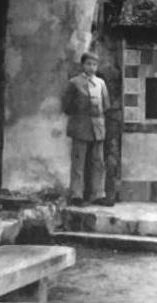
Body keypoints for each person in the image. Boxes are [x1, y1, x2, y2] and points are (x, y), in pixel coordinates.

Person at [62, 51, 113, 207]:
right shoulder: (74, 83)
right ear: (83, 65)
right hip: (80, 126)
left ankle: (98, 194)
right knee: (79, 161)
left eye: (94, 65)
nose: (91, 67)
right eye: (88, 64)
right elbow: (67, 106)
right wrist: (80, 115)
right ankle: (76, 194)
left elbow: (106, 105)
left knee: (98, 162)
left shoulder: (101, 83)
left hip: (97, 127)